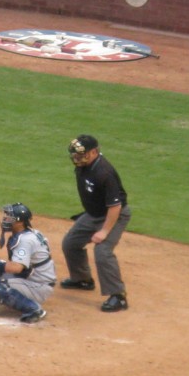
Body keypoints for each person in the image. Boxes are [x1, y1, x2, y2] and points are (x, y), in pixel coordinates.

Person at [61, 134, 130, 313]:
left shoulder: (103, 172)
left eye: (80, 154)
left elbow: (115, 206)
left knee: (102, 251)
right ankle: (82, 279)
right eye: (75, 154)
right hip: (93, 214)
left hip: (114, 215)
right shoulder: (83, 165)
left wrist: (104, 231)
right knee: (71, 243)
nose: (76, 158)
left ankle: (118, 296)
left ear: (93, 152)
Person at [0, 203, 55, 324]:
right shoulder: (29, 233)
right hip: (34, 277)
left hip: (38, 285)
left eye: (9, 217)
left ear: (20, 222)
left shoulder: (25, 241)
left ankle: (33, 309)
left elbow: (16, 267)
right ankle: (18, 296)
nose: (5, 220)